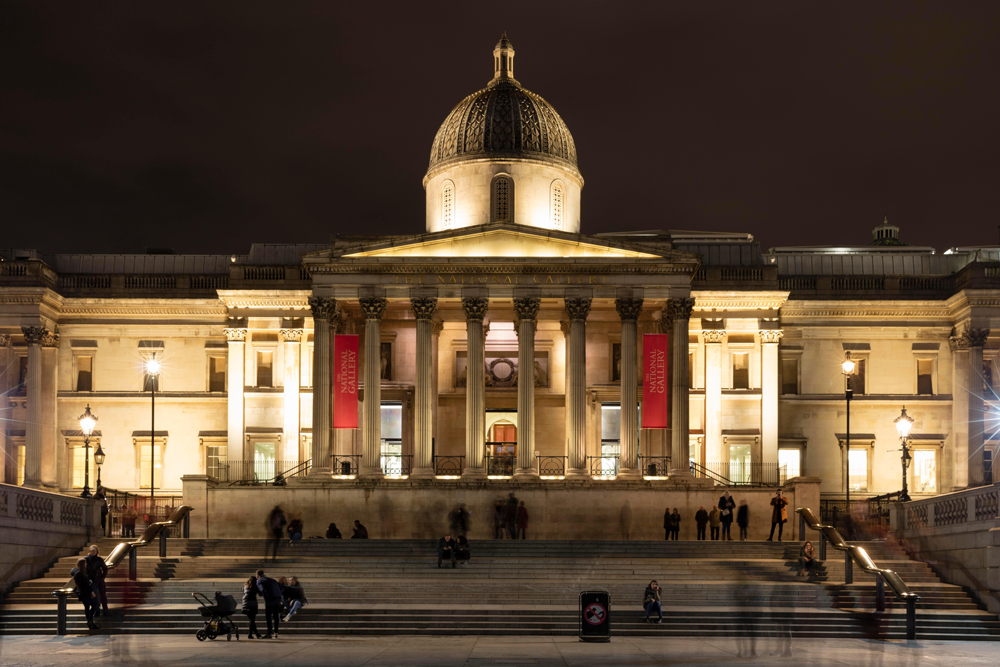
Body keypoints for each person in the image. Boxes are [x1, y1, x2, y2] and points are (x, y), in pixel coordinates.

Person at [70, 558, 99, 630]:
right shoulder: (79, 573)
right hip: (84, 593)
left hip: (84, 592)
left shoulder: (82, 572)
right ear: (83, 564)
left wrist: (89, 581)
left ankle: (90, 621)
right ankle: (90, 621)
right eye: (85, 563)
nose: (86, 564)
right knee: (89, 606)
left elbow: (86, 581)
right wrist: (92, 592)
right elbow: (85, 584)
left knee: (93, 605)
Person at [255, 569, 284, 638]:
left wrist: (264, 595)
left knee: (268, 616)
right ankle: (276, 632)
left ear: (257, 576)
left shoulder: (259, 581)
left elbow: (262, 590)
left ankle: (269, 633)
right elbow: (281, 588)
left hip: (270, 600)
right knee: (276, 615)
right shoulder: (272, 580)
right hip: (277, 599)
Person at [85, 545, 109, 617]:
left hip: (99, 580)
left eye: (94, 551)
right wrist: (87, 579)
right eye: (92, 551)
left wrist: (103, 577)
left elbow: (105, 568)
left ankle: (105, 610)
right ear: (89, 551)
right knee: (95, 596)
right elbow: (84, 570)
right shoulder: (86, 559)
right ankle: (97, 611)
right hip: (91, 580)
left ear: (96, 551)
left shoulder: (99, 559)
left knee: (103, 595)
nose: (93, 552)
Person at [242, 574, 262, 639]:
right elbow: (260, 594)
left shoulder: (245, 585)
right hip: (252, 604)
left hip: (245, 603)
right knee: (252, 620)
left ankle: (256, 634)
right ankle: (251, 634)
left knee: (251, 620)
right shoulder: (255, 586)